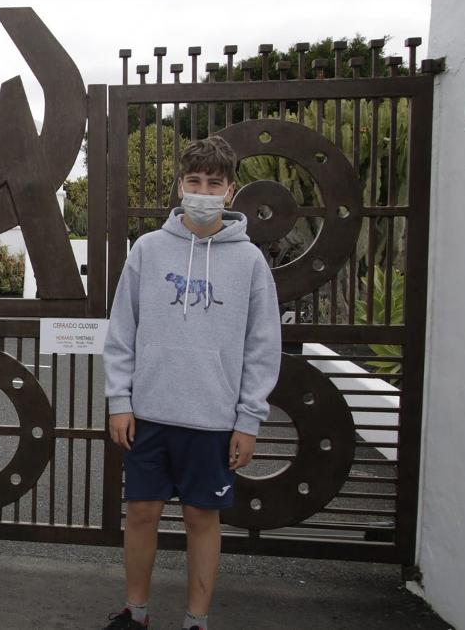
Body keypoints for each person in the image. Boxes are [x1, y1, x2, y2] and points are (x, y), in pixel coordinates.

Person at [103, 135, 281, 630]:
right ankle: (134, 613)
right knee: (141, 513)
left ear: (230, 192)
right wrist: (121, 399)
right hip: (150, 414)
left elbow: (263, 345)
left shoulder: (249, 262)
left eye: (214, 183)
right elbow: (123, 330)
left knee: (203, 519)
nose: (203, 190)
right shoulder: (148, 250)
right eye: (194, 181)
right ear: (181, 185)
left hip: (213, 418)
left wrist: (249, 419)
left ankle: (196, 620)